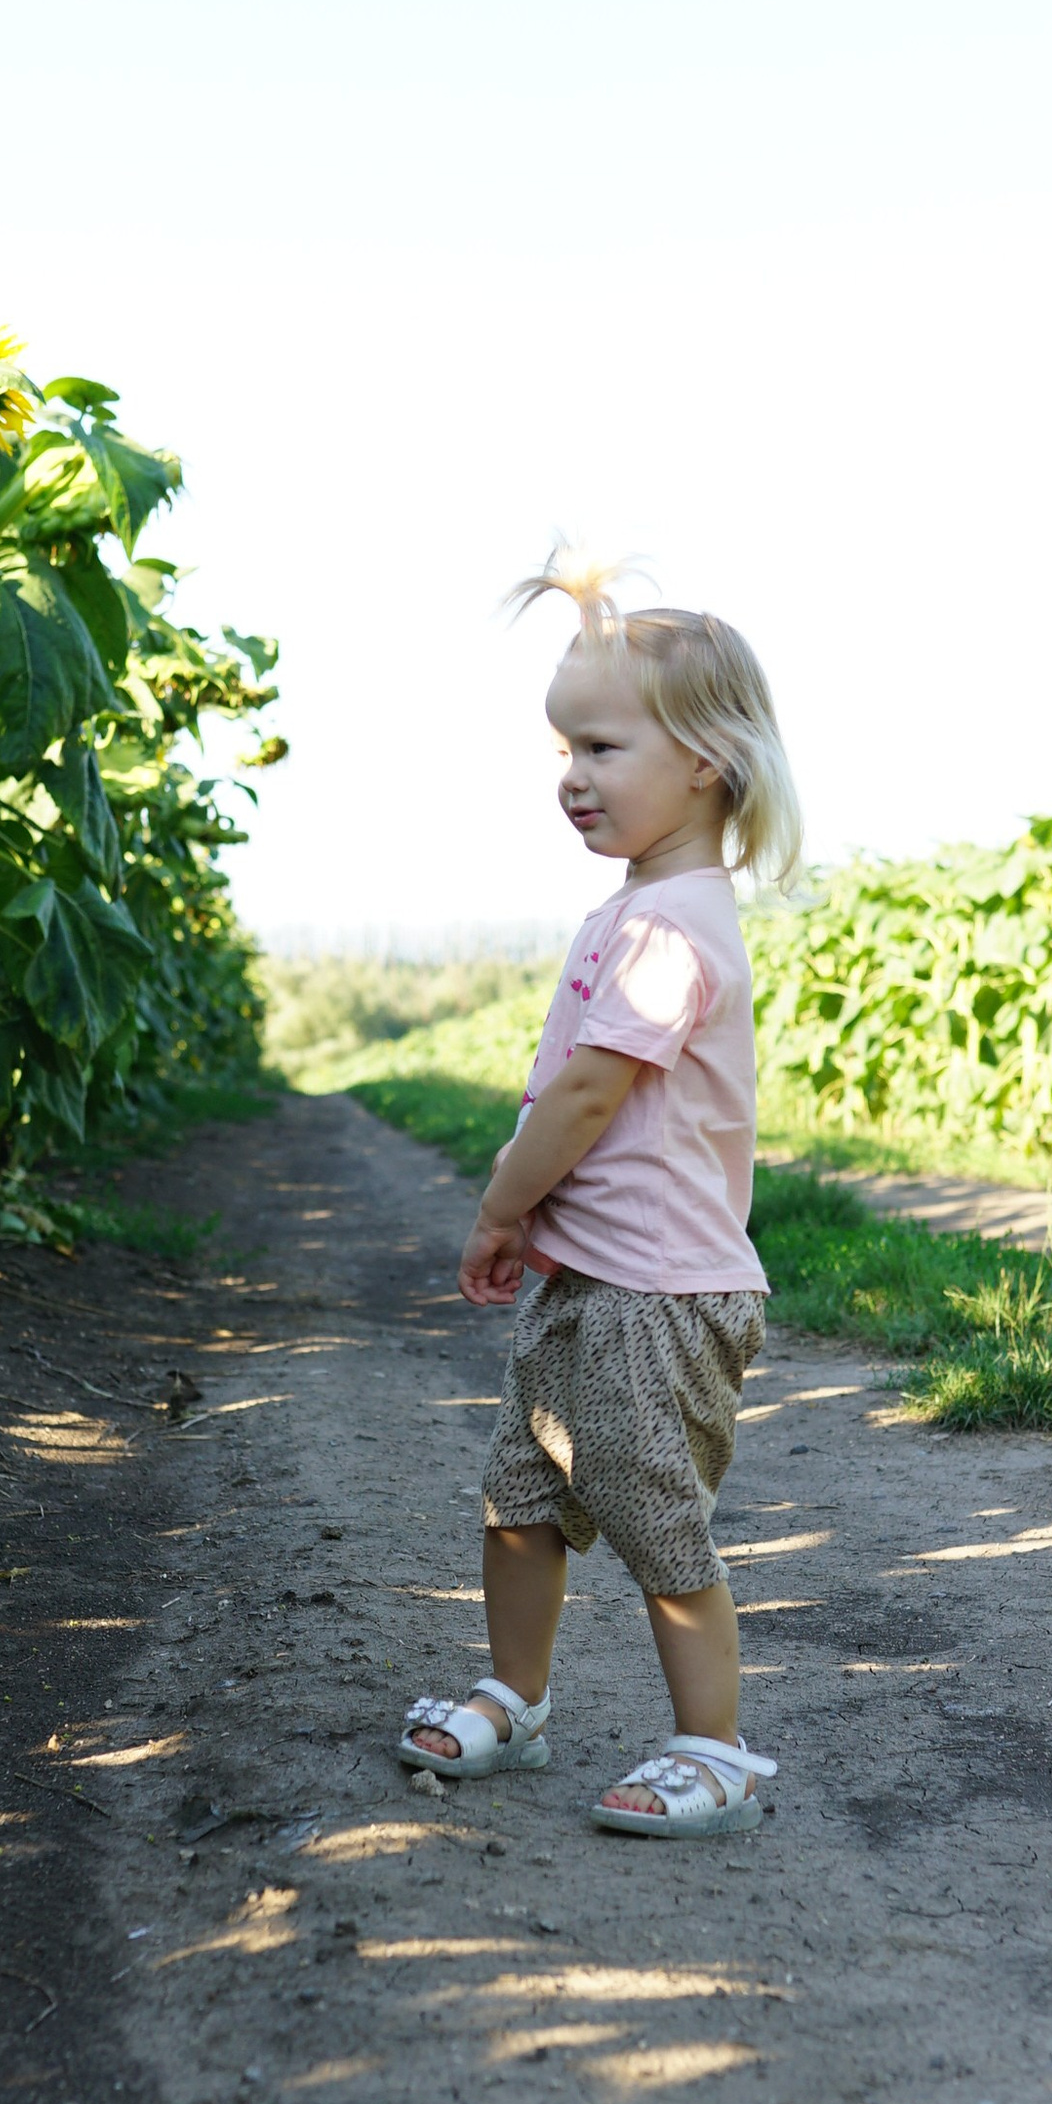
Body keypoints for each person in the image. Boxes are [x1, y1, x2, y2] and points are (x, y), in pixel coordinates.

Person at [396, 548, 801, 1834]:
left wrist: (501, 1207)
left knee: (647, 1513)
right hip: (596, 1281)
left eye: (603, 747)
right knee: (524, 1494)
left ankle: (717, 1749)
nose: (572, 775)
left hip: (660, 1295)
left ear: (707, 763)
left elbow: (581, 1098)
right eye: (563, 748)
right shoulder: (635, 910)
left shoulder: (674, 929)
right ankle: (516, 1698)